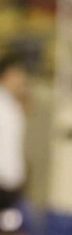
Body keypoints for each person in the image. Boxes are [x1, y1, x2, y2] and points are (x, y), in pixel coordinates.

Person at [0, 55, 29, 211]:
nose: (21, 80)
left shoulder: (14, 107)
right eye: (18, 74)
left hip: (12, 185)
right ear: (7, 75)